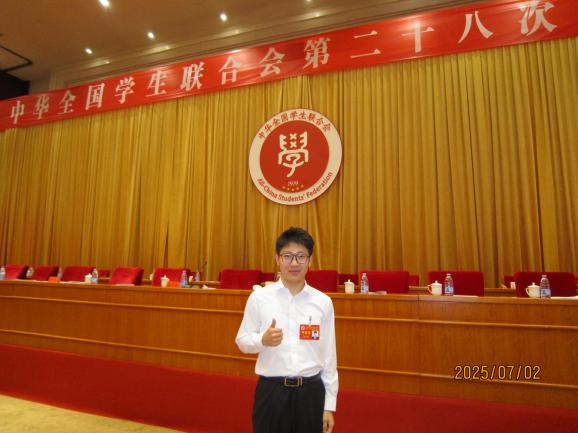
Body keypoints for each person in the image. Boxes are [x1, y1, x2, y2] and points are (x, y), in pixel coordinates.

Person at [236, 227, 338, 433]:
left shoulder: (323, 302)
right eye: (288, 256)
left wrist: (329, 406)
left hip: (311, 395)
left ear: (310, 261)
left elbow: (329, 357)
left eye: (301, 256)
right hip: (271, 393)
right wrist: (262, 340)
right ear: (277, 259)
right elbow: (242, 341)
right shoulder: (259, 298)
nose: (294, 263)